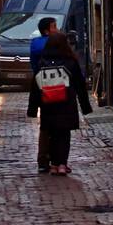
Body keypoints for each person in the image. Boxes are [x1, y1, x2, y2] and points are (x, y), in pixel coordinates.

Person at [27, 28, 91, 175]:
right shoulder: (71, 61)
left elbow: (35, 88)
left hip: (48, 104)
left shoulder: (42, 63)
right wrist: (85, 106)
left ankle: (54, 165)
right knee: (64, 134)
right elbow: (80, 85)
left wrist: (32, 109)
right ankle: (62, 164)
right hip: (66, 103)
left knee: (53, 134)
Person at [29, 17, 56, 172]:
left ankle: (43, 160)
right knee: (55, 125)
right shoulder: (54, 42)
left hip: (41, 87)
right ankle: (55, 159)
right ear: (47, 30)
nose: (57, 29)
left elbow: (34, 66)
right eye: (54, 26)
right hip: (56, 87)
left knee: (45, 125)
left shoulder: (35, 43)